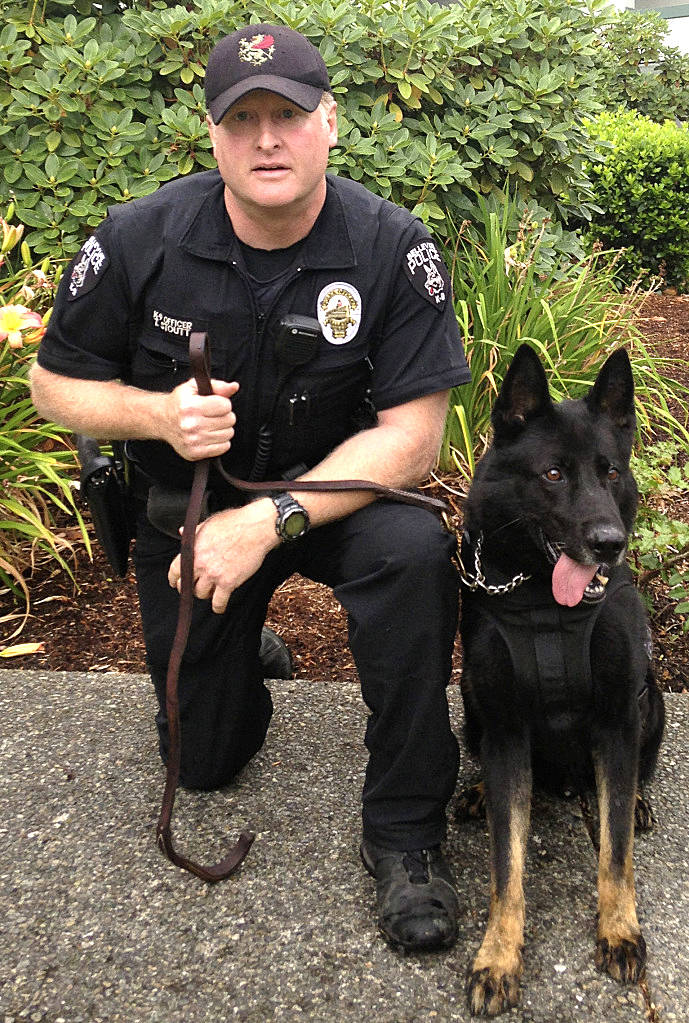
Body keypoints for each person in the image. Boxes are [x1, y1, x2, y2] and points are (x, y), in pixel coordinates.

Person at [30, 23, 471, 951]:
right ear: (212, 134)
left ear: (330, 124)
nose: (267, 138)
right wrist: (159, 417)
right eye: (243, 119)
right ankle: (245, 651)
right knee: (204, 766)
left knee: (413, 553)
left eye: (289, 114)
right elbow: (52, 384)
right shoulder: (140, 235)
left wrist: (267, 522)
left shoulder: (393, 248)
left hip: (334, 501)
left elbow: (414, 437)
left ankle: (404, 833)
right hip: (186, 515)